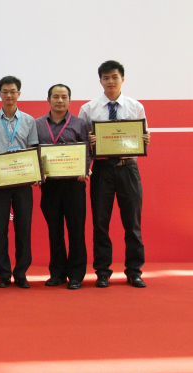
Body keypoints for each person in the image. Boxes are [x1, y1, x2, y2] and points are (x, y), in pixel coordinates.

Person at [79, 60, 150, 288]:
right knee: (100, 223)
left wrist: (145, 139)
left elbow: (143, 136)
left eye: (115, 77)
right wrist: (90, 141)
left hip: (128, 168)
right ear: (100, 80)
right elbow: (81, 144)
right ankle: (102, 271)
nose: (111, 81)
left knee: (133, 223)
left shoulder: (135, 106)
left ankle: (134, 271)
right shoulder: (88, 109)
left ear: (122, 79)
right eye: (106, 78)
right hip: (102, 170)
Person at [0, 76, 39, 289]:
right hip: (0, 180)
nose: (9, 95)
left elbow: (32, 148)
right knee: (0, 228)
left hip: (23, 181)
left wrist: (33, 172)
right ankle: (4, 274)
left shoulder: (29, 120)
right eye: (5, 91)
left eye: (13, 91)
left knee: (23, 228)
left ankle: (21, 273)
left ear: (19, 94)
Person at [35, 84, 90, 290]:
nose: (60, 100)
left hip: (74, 184)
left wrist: (85, 168)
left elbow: (88, 151)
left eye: (64, 97)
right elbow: (32, 150)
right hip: (49, 186)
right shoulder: (37, 124)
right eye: (56, 96)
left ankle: (76, 275)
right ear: (48, 100)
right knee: (54, 230)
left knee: (76, 230)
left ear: (69, 100)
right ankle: (57, 273)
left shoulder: (80, 123)